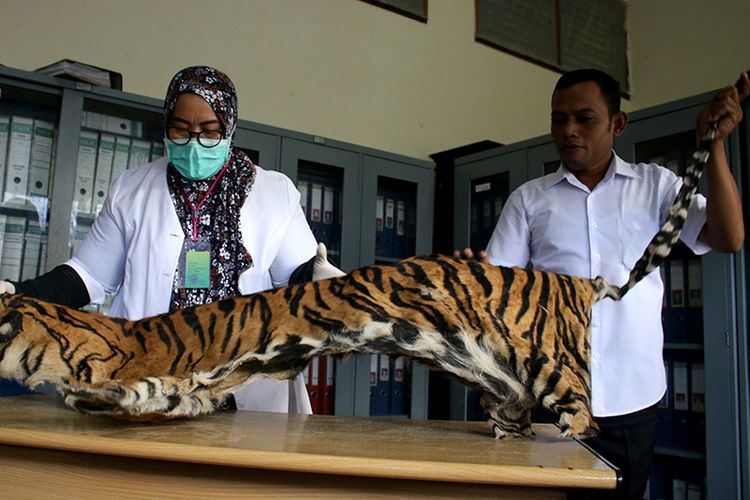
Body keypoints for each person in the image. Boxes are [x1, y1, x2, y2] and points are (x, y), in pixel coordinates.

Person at [460, 68, 748, 500]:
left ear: (617, 123)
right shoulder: (529, 199)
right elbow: (500, 290)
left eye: (584, 118)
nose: (569, 130)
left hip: (632, 400)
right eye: (559, 119)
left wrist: (716, 146)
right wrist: (477, 277)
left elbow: (728, 237)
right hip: (550, 398)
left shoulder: (656, 187)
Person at [0, 65, 343, 413]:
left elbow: (297, 279)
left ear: (230, 127)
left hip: (243, 385)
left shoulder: (273, 192)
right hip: (149, 379)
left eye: (209, 133)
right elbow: (87, 276)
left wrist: (326, 281)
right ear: (166, 126)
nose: (194, 143)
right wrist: (17, 292)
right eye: (180, 130)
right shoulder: (132, 188)